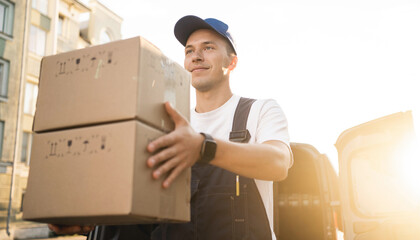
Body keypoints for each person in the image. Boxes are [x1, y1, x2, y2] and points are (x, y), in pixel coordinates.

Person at [49, 15, 292, 240]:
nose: (196, 56)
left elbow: (278, 163)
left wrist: (203, 147)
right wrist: (93, 222)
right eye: (189, 51)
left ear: (232, 61)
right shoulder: (165, 123)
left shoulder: (260, 111)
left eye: (208, 47)